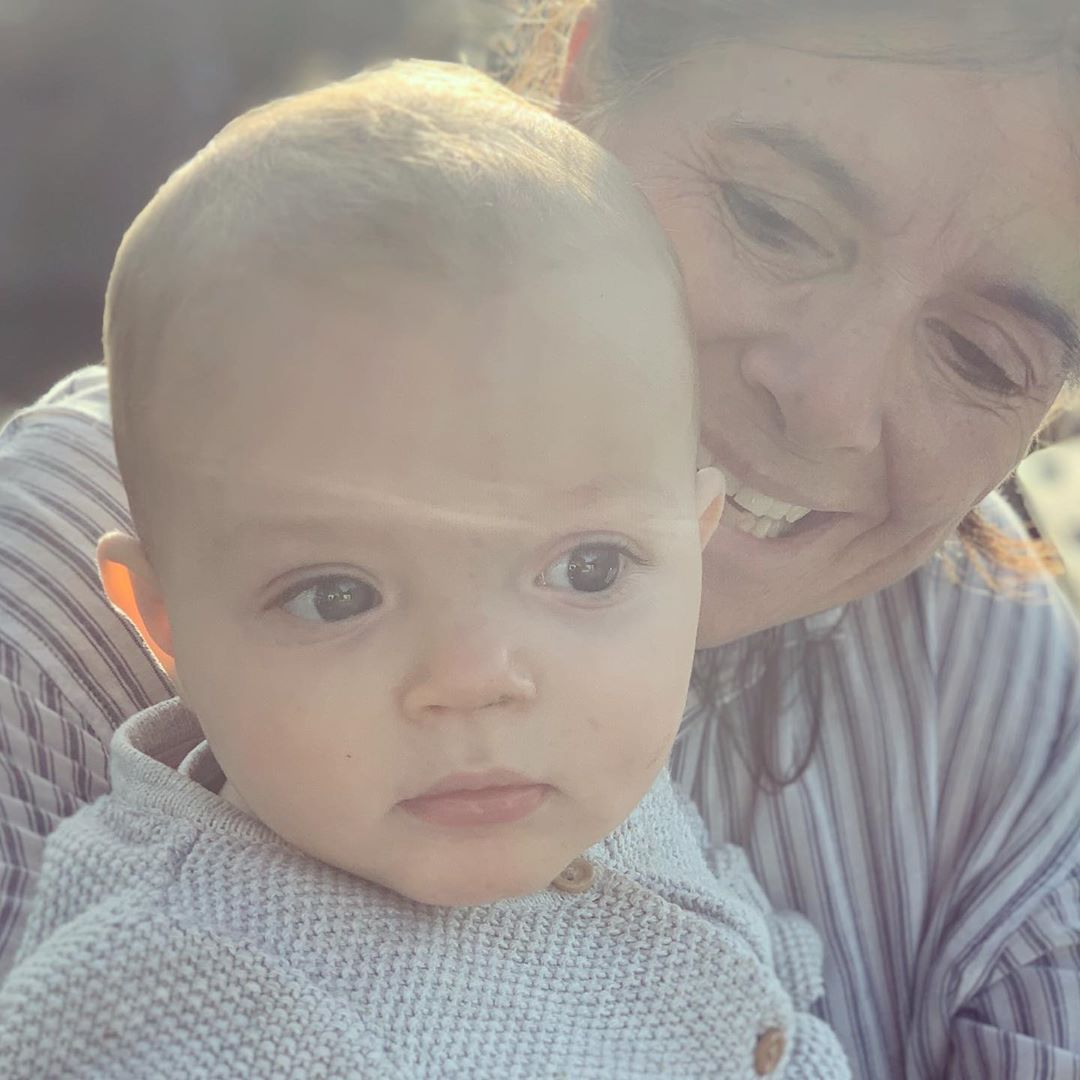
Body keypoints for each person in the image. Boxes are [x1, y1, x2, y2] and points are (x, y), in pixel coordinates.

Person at [0, 1, 1077, 1075]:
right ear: (587, 72)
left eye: (983, 356)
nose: (829, 404)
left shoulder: (1010, 689)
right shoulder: (48, 620)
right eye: (773, 217)